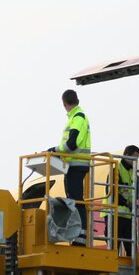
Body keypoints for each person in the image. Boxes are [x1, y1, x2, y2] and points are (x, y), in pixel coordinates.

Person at [49, 89, 91, 243]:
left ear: (64, 104)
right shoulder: (75, 117)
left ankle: (81, 234)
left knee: (76, 198)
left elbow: (72, 144)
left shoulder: (78, 117)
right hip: (72, 164)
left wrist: (55, 150)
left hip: (77, 163)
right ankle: (78, 232)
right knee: (73, 198)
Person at [107, 144, 139, 256]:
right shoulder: (115, 170)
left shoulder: (134, 173)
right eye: (134, 158)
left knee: (131, 248)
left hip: (128, 215)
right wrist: (127, 203)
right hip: (115, 214)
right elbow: (112, 192)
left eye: (137, 158)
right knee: (114, 247)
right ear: (126, 155)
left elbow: (137, 192)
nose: (135, 161)